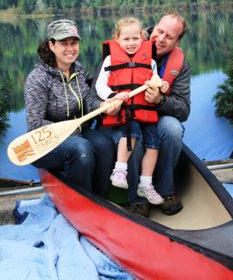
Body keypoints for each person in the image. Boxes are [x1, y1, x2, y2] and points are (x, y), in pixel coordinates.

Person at [88, 13, 191, 217]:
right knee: (133, 136)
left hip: (153, 116)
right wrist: (106, 103)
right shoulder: (122, 48)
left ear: (177, 41)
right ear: (150, 31)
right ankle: (138, 199)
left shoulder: (180, 64)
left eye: (169, 37)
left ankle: (165, 191)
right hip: (122, 118)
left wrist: (160, 101)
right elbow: (92, 95)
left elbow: (183, 110)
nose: (161, 38)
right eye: (159, 32)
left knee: (172, 128)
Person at [24, 19, 115, 197]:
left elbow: (92, 97)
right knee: (81, 149)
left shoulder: (78, 69)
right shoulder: (38, 79)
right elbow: (35, 124)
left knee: (105, 143)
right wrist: (74, 133)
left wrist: (105, 104)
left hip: (79, 133)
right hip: (45, 144)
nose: (70, 48)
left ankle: (101, 202)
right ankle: (81, 205)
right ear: (51, 45)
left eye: (74, 43)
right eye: (63, 43)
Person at [95, 17, 169, 205]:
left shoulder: (149, 60)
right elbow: (100, 85)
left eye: (135, 39)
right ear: (117, 39)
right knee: (132, 134)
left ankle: (146, 183)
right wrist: (112, 96)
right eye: (126, 39)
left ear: (143, 38)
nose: (131, 43)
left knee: (154, 144)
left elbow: (154, 80)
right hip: (126, 111)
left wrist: (162, 86)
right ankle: (119, 171)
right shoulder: (110, 59)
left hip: (146, 111)